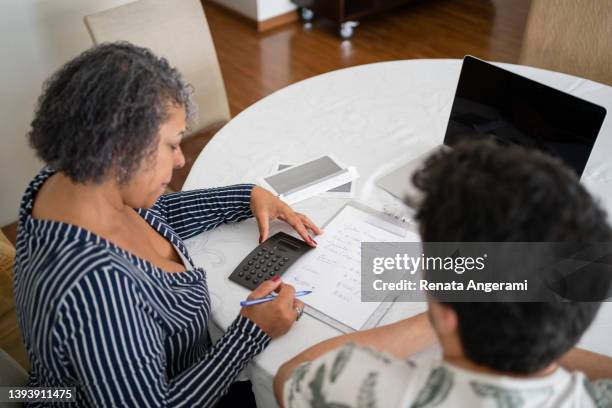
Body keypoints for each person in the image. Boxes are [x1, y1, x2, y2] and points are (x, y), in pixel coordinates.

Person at [14, 42, 321, 407]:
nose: (180, 160)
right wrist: (250, 334)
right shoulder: (99, 292)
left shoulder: (70, 176)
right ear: (118, 153)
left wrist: (244, 197)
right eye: (172, 145)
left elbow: (153, 219)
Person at [275, 141, 612, 407]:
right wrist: (528, 330)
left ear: (450, 315)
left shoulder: (366, 390)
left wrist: (444, 317)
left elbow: (291, 376)